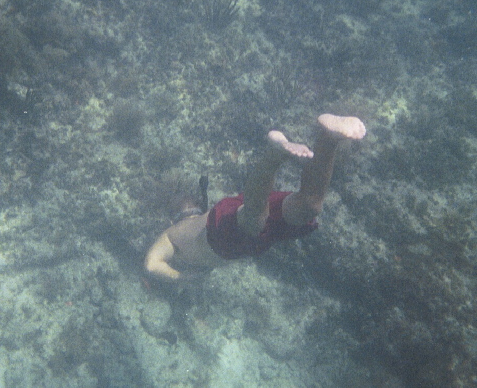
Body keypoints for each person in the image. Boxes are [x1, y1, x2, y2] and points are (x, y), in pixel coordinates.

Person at [144, 113, 366, 281]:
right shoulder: (191, 225)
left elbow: (151, 265)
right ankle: (329, 138)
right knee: (309, 206)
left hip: (225, 233)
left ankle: (275, 154)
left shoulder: (171, 236)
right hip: (247, 230)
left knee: (255, 220)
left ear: (174, 218)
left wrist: (183, 277)